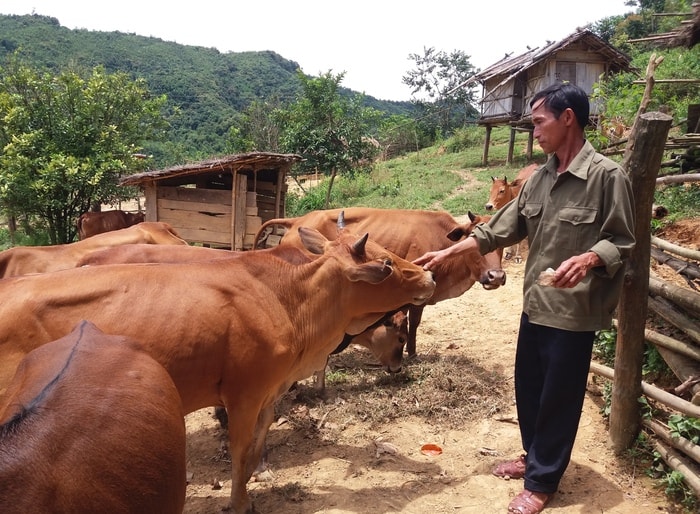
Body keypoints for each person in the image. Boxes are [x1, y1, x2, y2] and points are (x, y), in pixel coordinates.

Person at [414, 83, 636, 514]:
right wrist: (446, 251)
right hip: (536, 304)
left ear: (567, 117)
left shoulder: (607, 177)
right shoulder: (540, 179)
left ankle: (542, 481)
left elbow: (625, 242)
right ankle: (534, 455)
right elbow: (496, 229)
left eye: (539, 122)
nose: (534, 132)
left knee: (559, 397)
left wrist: (590, 257)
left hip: (575, 311)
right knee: (530, 389)